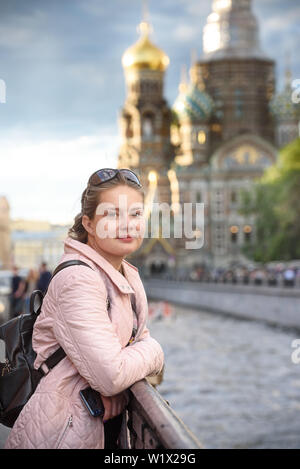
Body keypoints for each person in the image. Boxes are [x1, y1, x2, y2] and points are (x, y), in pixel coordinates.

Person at [5, 168, 164, 449]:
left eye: (136, 214)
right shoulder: (79, 279)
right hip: (61, 434)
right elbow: (113, 374)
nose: (127, 224)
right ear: (89, 224)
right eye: (113, 214)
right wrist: (156, 352)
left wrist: (116, 378)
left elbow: (127, 354)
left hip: (93, 428)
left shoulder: (125, 274)